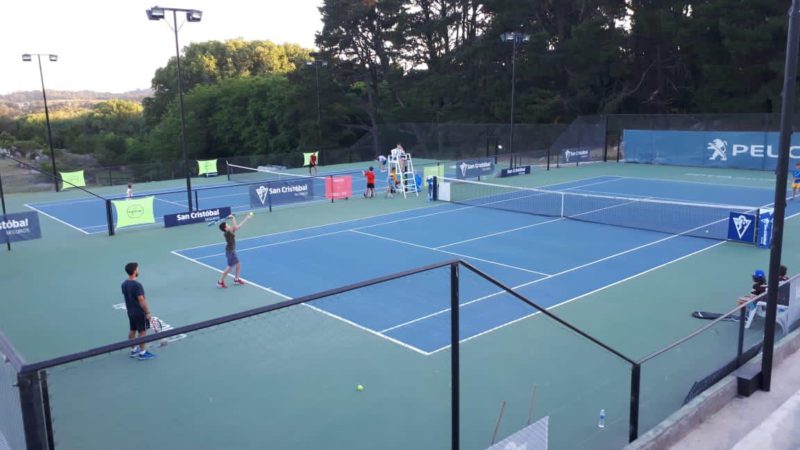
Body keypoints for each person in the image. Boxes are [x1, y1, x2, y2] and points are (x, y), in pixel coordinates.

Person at [122, 262, 156, 360]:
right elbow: (141, 300)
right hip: (139, 313)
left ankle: (133, 350)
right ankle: (142, 353)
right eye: (138, 269)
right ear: (134, 271)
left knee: (132, 330)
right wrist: (147, 312)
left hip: (130, 312)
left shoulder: (124, 284)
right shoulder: (137, 285)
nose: (139, 270)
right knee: (142, 332)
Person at [217, 213, 253, 288]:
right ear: (225, 228)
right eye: (228, 225)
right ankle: (220, 282)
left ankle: (236, 279)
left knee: (238, 264)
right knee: (229, 267)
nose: (229, 225)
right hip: (230, 252)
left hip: (232, 251)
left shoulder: (229, 231)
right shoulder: (228, 233)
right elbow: (236, 227)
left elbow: (238, 226)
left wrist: (246, 218)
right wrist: (233, 218)